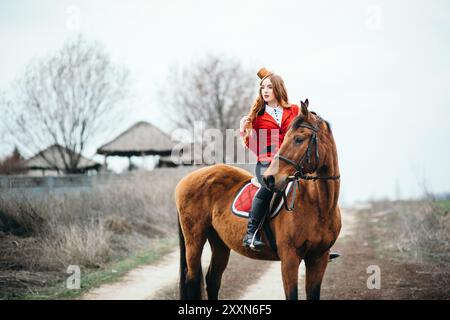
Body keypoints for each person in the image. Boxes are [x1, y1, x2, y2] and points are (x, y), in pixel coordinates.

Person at [239, 67, 300, 251]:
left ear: (278, 89)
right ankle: (251, 233)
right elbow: (254, 145)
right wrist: (244, 130)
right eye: (263, 88)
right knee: (268, 188)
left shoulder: (295, 110)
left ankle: (318, 243)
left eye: (269, 87)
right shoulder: (257, 117)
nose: (265, 91)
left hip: (292, 162)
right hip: (267, 162)